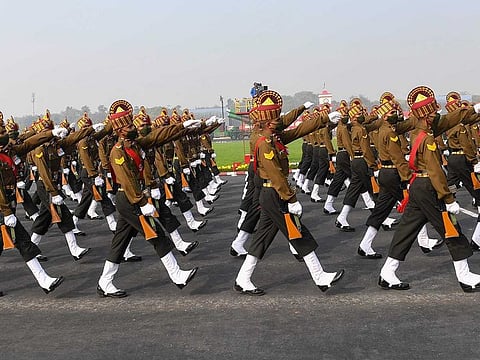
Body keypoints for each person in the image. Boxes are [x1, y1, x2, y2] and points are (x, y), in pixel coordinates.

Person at [233, 90, 344, 295]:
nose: (279, 121)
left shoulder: (269, 136)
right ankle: (319, 276)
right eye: (274, 118)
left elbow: (297, 130)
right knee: (298, 231)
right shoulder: (264, 142)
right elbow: (275, 174)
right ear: (267, 122)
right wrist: (290, 199)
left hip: (271, 194)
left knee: (262, 238)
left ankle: (243, 278)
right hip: (274, 193)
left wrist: (324, 118)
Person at [379, 86, 480, 292]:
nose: (436, 115)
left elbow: (448, 120)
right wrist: (448, 198)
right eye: (433, 112)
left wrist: (473, 110)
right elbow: (435, 171)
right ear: (426, 116)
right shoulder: (427, 138)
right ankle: (464, 275)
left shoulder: (423, 129)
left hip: (418, 187)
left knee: (406, 231)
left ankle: (387, 272)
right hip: (427, 187)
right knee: (451, 229)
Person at [96, 100, 201, 298]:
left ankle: (105, 281)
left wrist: (182, 128)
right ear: (120, 131)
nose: (133, 128)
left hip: (131, 198)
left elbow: (159, 136)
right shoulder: (118, 152)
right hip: (128, 199)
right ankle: (176, 274)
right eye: (128, 126)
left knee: (120, 242)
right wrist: (142, 203)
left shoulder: (135, 144)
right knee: (156, 235)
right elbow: (127, 180)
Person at [0, 123, 65, 294]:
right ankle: (44, 280)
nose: (5, 135)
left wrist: (51, 133)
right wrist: (6, 212)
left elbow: (30, 143)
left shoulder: (8, 151)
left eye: (4, 131)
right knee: (23, 242)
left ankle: (44, 280)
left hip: (8, 204)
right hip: (2, 208)